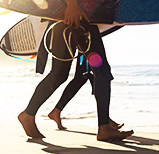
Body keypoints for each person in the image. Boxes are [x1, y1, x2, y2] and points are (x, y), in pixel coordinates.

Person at [18, 0, 133, 141]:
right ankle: (104, 127)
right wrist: (72, 6)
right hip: (76, 17)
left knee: (60, 74)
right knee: (101, 72)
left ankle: (28, 114)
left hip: (71, 17)